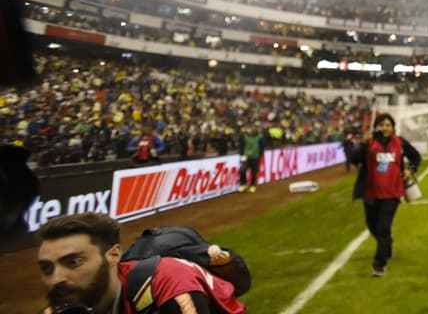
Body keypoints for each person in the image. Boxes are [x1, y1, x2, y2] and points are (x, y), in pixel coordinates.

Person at [35, 212, 243, 314]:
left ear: (114, 255)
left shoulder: (170, 282)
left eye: (74, 261)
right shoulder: (61, 305)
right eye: (46, 268)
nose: (55, 279)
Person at [349, 113, 421, 277]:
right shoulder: (369, 143)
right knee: (372, 226)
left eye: (388, 125)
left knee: (383, 227)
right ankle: (387, 245)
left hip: (392, 193)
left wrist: (410, 170)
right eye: (381, 125)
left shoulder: (400, 142)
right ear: (376, 127)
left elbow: (416, 157)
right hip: (370, 193)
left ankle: (379, 265)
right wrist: (363, 144)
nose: (384, 128)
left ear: (393, 127)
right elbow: (353, 159)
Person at [236, 123, 265, 193]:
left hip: (255, 157)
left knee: (254, 172)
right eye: (251, 128)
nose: (252, 130)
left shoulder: (260, 137)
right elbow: (241, 145)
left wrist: (260, 155)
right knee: (242, 170)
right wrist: (242, 154)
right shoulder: (244, 136)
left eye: (254, 128)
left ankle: (252, 185)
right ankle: (243, 185)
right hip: (246, 157)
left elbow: (263, 146)